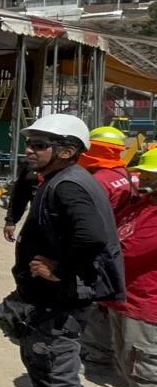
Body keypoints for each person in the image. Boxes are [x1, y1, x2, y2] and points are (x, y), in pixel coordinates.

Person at [0, 114, 124, 387]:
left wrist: (59, 270)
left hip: (61, 298)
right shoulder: (61, 180)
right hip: (51, 296)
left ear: (67, 151)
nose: (30, 150)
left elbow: (92, 238)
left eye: (39, 145)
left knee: (56, 371)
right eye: (31, 143)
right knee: (42, 363)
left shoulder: (70, 186)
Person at [100, 148, 157, 387]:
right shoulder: (145, 204)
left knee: (146, 365)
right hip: (126, 296)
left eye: (150, 175)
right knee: (127, 360)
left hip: (147, 302)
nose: (142, 177)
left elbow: (130, 252)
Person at [77, 126, 142, 368]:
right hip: (122, 240)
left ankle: (97, 350)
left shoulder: (98, 181)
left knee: (97, 299)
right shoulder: (128, 174)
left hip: (103, 244)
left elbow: (88, 221)